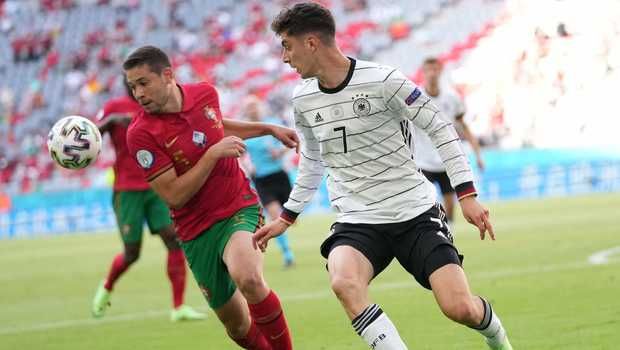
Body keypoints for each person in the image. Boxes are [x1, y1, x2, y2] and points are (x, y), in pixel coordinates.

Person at [254, 3, 512, 350]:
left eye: (286, 44)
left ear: (312, 42)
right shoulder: (302, 100)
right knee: (344, 282)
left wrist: (466, 194)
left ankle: (498, 339)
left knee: (459, 307)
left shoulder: (383, 80)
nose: (284, 57)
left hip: (414, 213)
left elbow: (440, 127)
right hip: (357, 219)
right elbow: (312, 160)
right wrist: (287, 216)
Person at [124, 45, 296, 350]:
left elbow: (217, 124)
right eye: (132, 86)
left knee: (249, 278)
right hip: (194, 230)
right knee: (237, 325)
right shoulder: (140, 133)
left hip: (236, 206)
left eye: (143, 83)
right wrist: (213, 154)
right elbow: (174, 196)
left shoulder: (205, 94)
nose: (138, 93)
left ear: (167, 75)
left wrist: (267, 128)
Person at [92, 81, 205, 322]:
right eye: (132, 80)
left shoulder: (158, 105)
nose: (137, 85)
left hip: (157, 186)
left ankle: (178, 307)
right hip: (127, 190)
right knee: (132, 252)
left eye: (142, 80)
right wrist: (110, 122)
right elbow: (91, 135)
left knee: (174, 241)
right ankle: (107, 286)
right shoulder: (113, 106)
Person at [412, 57, 485, 224]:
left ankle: (448, 234)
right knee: (422, 204)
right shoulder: (414, 97)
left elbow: (464, 127)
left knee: (450, 206)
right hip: (423, 162)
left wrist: (478, 155)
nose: (431, 74)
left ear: (440, 71)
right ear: (423, 72)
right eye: (428, 70)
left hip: (446, 161)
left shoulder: (452, 98)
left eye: (434, 69)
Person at [242, 96, 295, 268]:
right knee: (274, 215)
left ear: (260, 107)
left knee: (290, 217)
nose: (252, 109)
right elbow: (240, 154)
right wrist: (248, 167)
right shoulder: (246, 130)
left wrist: (279, 153)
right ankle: (288, 254)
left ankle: (287, 248)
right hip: (262, 180)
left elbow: (289, 143)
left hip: (279, 175)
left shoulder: (272, 124)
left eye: (254, 106)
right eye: (249, 107)